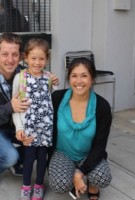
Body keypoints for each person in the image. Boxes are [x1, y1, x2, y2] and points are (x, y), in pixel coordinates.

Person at [0, 32, 59, 188]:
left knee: (37, 144)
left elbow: (41, 97)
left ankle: (13, 160)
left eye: (14, 54)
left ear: (21, 56)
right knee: (10, 156)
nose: (10, 59)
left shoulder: (25, 75)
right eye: (5, 54)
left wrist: (51, 81)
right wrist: (8, 108)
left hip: (15, 125)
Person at [48, 57, 112, 200]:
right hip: (62, 152)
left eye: (84, 76)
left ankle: (91, 182)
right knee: (59, 185)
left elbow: (100, 146)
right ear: (69, 78)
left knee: (103, 178)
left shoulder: (102, 106)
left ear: (92, 79)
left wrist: (80, 173)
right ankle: (74, 177)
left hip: (88, 153)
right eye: (74, 76)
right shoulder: (57, 98)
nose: (78, 81)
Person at [12, 38, 56, 200]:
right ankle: (26, 186)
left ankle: (39, 185)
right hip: (29, 127)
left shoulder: (49, 78)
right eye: (33, 58)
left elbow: (54, 98)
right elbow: (15, 107)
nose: (37, 62)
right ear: (26, 57)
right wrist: (19, 128)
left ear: (47, 59)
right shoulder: (20, 77)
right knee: (29, 159)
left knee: (42, 159)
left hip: (45, 127)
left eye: (41, 59)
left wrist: (56, 82)